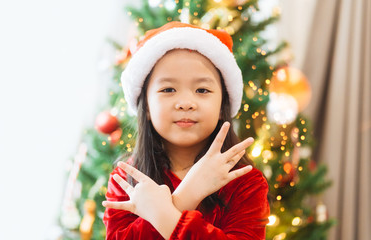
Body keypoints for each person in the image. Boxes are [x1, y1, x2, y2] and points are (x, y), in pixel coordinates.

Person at [102, 21, 270, 239]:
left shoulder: (245, 183)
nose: (185, 103)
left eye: (202, 89)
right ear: (147, 108)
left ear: (222, 105)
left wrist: (165, 213)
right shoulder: (126, 180)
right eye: (168, 89)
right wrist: (185, 197)